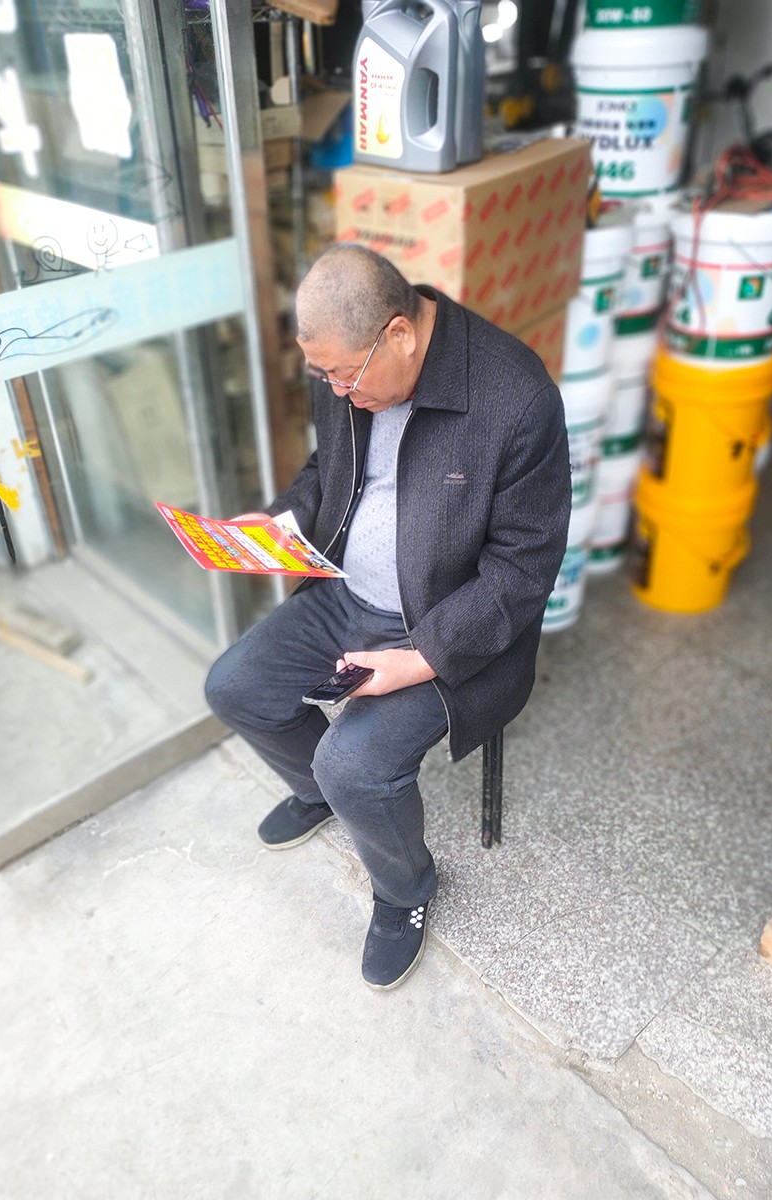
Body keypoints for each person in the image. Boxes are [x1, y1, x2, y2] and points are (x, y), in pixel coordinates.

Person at [205, 243, 571, 991]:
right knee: (235, 687)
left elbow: (522, 571)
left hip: (450, 625)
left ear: (399, 334)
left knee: (356, 765)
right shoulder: (349, 371)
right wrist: (278, 522)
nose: (337, 390)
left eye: (344, 375)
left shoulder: (515, 397)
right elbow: (327, 473)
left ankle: (406, 890)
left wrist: (422, 656)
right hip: (349, 594)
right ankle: (322, 794)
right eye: (323, 376)